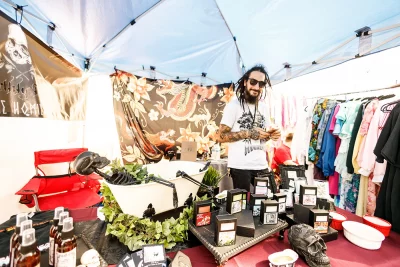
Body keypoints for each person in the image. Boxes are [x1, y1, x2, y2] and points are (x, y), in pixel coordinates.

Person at [217, 65, 281, 191]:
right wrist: (248, 133)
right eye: (253, 82)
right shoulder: (234, 105)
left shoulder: (264, 108)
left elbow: (262, 138)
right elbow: (221, 136)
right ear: (246, 82)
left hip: (261, 165)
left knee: (269, 202)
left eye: (261, 84)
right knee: (242, 206)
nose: (257, 87)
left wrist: (271, 135)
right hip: (240, 166)